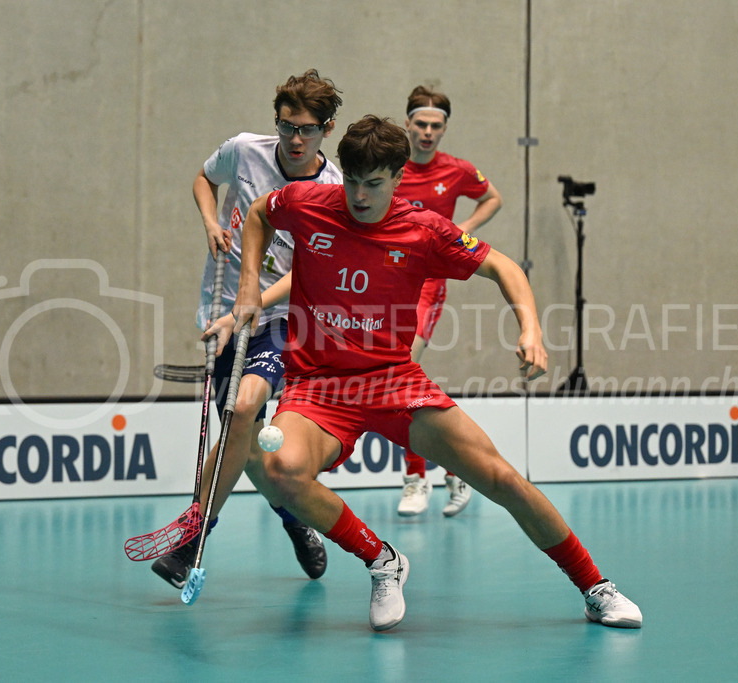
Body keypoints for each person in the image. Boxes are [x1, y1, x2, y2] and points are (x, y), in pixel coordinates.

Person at [231, 115, 642, 632]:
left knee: (501, 478)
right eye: (353, 180)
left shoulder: (424, 230)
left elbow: (504, 268)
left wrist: (531, 329)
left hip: (392, 380)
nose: (359, 195)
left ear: (398, 177)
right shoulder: (309, 203)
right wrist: (249, 285)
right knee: (281, 473)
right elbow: (259, 213)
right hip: (318, 386)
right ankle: (383, 560)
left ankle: (595, 587)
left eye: (374, 183)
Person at [151, 69, 343, 589]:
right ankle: (296, 520)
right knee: (249, 443)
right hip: (223, 311)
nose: (295, 139)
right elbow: (202, 178)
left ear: (327, 128)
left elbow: (308, 275)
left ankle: (192, 541)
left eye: (307, 129)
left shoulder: (334, 193)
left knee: (240, 411)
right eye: (286, 127)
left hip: (282, 319)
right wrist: (212, 221)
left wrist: (249, 307)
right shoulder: (244, 150)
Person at [393, 85, 504, 518]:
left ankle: (415, 478)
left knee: (400, 369)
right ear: (407, 123)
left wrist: (462, 231)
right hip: (385, 284)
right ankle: (457, 469)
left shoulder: (456, 170)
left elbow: (493, 197)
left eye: (435, 126)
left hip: (428, 285)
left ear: (444, 129)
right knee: (400, 376)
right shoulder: (392, 167)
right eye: (420, 123)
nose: (427, 132)